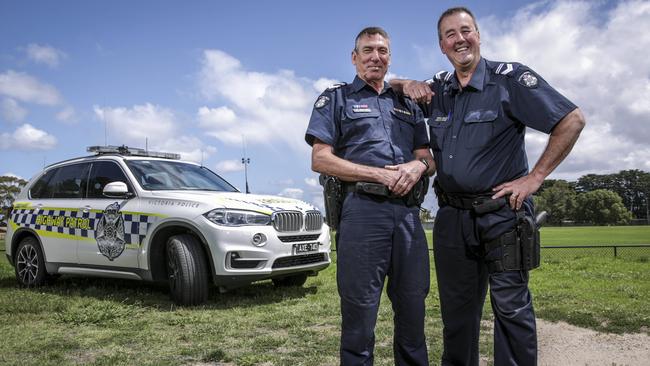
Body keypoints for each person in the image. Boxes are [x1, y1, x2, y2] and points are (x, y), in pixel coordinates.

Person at [390, 7, 586, 366]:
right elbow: (387, 84)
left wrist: (535, 177)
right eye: (450, 34)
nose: (459, 39)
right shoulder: (438, 89)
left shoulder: (508, 78)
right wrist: (405, 84)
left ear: (478, 35)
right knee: (457, 315)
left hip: (503, 214)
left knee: (511, 310)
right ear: (441, 45)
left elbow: (571, 120)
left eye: (465, 31)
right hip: (451, 218)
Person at [305, 27, 434, 365]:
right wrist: (378, 173)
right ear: (354, 57)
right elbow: (320, 158)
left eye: (382, 51)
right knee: (360, 313)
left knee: (412, 307)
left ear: (390, 57)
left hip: (407, 214)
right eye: (368, 50)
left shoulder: (407, 102)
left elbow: (427, 156)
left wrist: (417, 169)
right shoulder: (336, 98)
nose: (375, 57)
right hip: (362, 211)